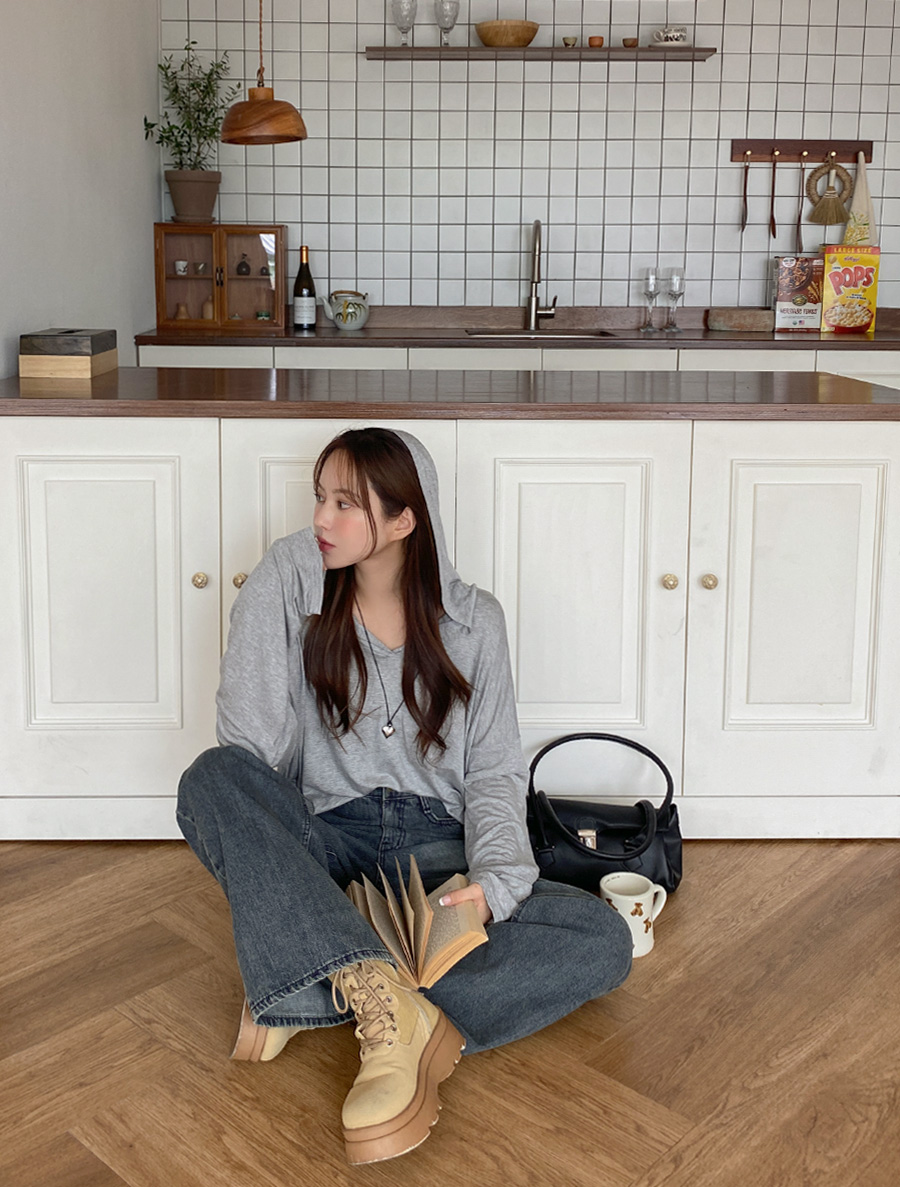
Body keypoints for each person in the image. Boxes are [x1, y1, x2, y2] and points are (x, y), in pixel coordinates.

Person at [177, 426, 632, 1165]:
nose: (319, 519)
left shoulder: (476, 623)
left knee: (602, 940)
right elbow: (250, 752)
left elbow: (492, 773)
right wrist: (271, 581)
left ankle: (318, 982)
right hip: (327, 848)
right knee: (210, 778)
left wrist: (495, 884)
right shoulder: (300, 598)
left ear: (403, 520)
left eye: (345, 504)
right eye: (319, 498)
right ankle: (380, 1000)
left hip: (435, 856)